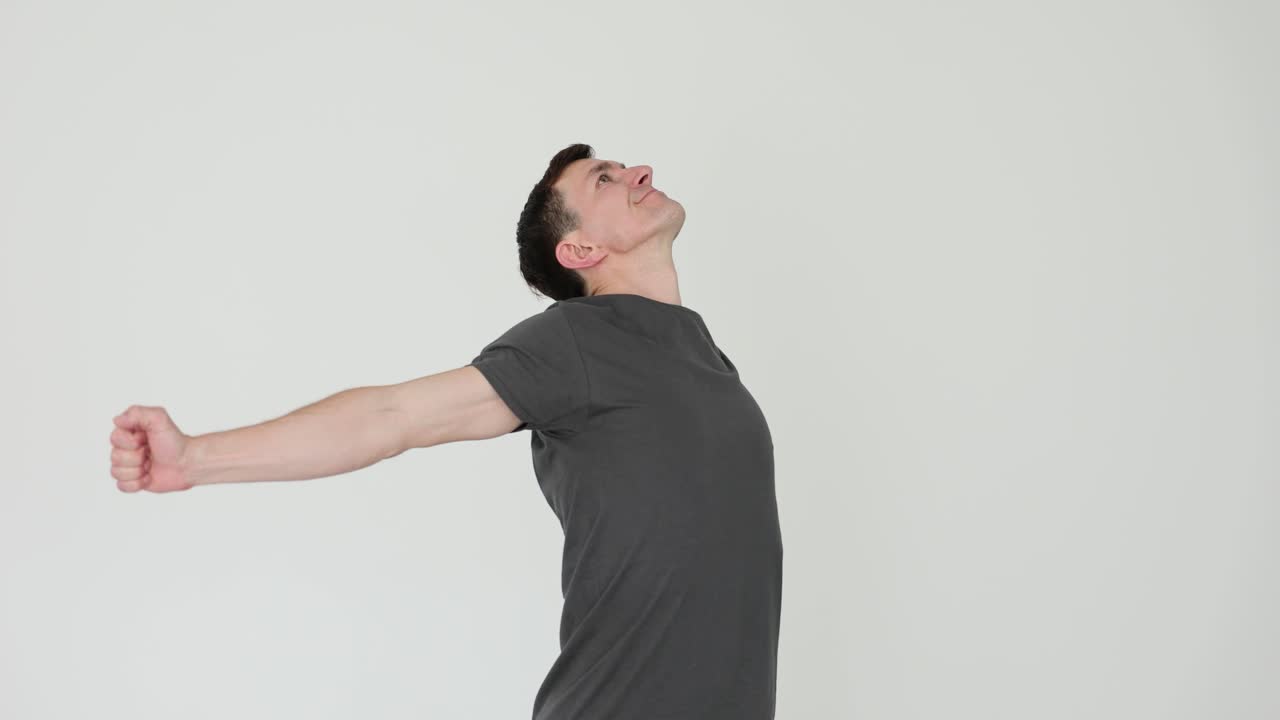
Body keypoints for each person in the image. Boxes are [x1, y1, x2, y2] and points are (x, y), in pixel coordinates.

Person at [109, 143, 784, 719]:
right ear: (577, 248)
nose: (635, 172)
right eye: (603, 180)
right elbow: (393, 416)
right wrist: (196, 457)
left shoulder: (702, 355)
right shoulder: (577, 341)